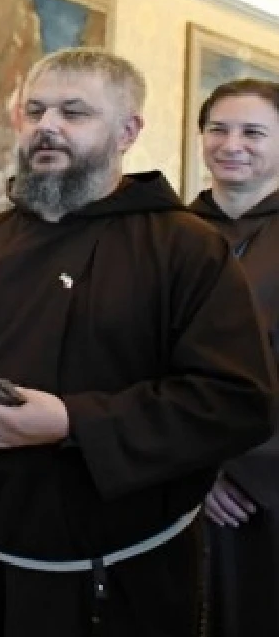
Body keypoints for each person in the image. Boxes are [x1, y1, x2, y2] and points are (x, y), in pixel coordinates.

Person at [0, 48, 277, 637]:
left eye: (74, 112)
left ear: (128, 130)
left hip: (118, 578)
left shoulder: (186, 248)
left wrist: (72, 422)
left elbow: (234, 399)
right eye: (35, 109)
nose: (47, 125)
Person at [190, 78, 279, 637]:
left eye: (253, 132)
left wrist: (240, 468)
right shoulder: (164, 235)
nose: (232, 144)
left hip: (268, 491)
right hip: (173, 485)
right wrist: (196, 470)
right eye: (218, 129)